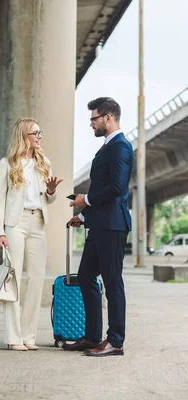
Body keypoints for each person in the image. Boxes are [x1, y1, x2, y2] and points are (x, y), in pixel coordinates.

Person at [66, 97, 133, 357]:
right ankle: (93, 336)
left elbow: (117, 188)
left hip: (113, 226)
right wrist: (82, 216)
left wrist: (86, 200)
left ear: (108, 117)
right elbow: (102, 188)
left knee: (112, 282)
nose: (91, 124)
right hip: (99, 224)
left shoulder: (120, 147)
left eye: (94, 119)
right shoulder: (107, 147)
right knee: (85, 276)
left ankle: (115, 340)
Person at [0, 118, 62, 351]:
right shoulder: (7, 163)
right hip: (15, 223)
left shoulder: (44, 163)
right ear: (24, 136)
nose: (40, 136)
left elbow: (48, 199)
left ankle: (28, 336)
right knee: (13, 279)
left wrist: (52, 191)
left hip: (38, 223)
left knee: (36, 279)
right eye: (35, 133)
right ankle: (14, 338)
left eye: (40, 132)